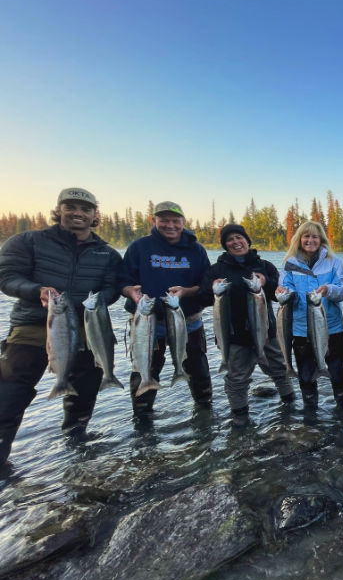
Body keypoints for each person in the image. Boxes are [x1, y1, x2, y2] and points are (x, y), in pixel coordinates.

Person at [0, 188, 122, 465]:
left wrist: (96, 301)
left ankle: (75, 445)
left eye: (85, 209)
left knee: (85, 390)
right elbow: (7, 277)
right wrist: (36, 290)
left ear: (94, 215)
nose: (77, 213)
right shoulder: (28, 241)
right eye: (70, 207)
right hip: (33, 326)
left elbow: (111, 289)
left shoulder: (108, 254)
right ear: (59, 210)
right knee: (11, 390)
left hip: (87, 327)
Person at [119, 201, 212, 416]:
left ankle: (205, 414)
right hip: (148, 323)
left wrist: (187, 292)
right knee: (145, 369)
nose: (170, 225)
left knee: (198, 370)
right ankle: (142, 419)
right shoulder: (139, 247)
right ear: (154, 221)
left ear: (183, 222)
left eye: (175, 221)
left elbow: (206, 285)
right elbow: (122, 280)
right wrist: (130, 292)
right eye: (164, 220)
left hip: (188, 323)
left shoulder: (196, 250)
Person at [198, 224, 295, 423]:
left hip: (266, 331)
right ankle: (240, 418)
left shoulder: (265, 266)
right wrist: (212, 288)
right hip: (234, 335)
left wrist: (266, 282)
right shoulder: (217, 270)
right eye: (230, 240)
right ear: (225, 245)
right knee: (236, 378)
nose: (235, 242)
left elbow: (280, 294)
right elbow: (203, 297)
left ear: (247, 241)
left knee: (280, 369)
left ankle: (290, 406)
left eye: (238, 237)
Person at [279, 221, 343, 411]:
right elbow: (286, 288)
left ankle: (342, 414)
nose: (310, 240)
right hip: (300, 330)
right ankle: (311, 418)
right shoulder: (290, 263)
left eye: (315, 236)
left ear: (321, 239)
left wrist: (328, 290)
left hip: (333, 329)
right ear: (299, 239)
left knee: (338, 375)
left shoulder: (333, 262)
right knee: (306, 376)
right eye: (306, 236)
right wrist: (282, 292)